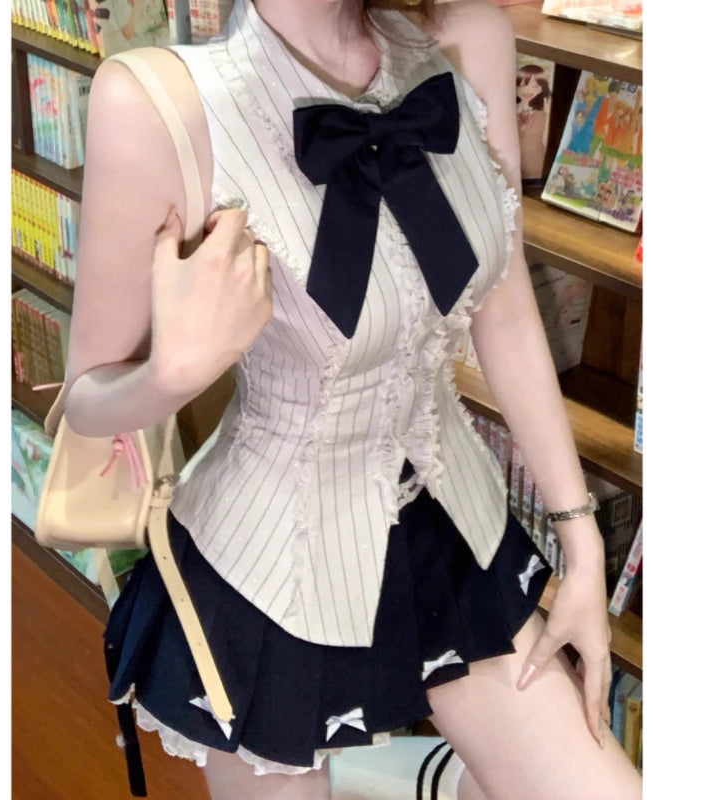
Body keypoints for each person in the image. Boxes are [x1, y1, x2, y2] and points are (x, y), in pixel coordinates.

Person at [63, 1, 643, 798]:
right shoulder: (156, 101)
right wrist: (171, 375)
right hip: (269, 570)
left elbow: (504, 312)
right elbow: (86, 399)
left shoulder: (467, 37)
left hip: (452, 523)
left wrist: (582, 545)